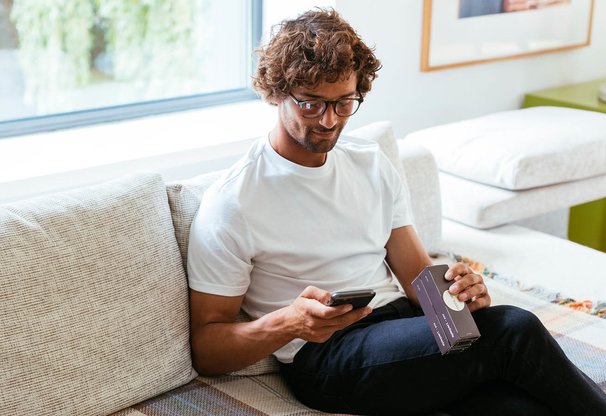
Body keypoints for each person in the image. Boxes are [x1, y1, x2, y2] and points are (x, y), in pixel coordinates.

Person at [187, 8, 606, 416]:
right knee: (514, 329)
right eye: (311, 104)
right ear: (277, 92)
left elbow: (416, 275)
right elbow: (207, 349)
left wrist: (460, 297)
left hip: (405, 330)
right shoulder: (234, 200)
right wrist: (287, 324)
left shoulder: (370, 163)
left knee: (523, 404)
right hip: (329, 357)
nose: (329, 121)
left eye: (344, 103)